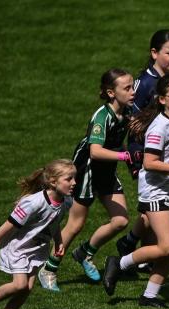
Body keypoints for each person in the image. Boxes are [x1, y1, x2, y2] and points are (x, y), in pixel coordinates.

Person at [102, 73, 169, 308]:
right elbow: (150, 163)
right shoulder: (159, 127)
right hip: (155, 191)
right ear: (161, 99)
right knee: (166, 245)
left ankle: (149, 296)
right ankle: (120, 263)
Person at [37, 68, 136, 292]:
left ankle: (85, 253)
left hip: (107, 172)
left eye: (133, 87)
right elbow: (95, 152)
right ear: (111, 93)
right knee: (76, 224)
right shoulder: (102, 116)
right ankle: (49, 269)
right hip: (87, 172)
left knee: (120, 221)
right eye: (127, 88)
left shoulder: (127, 112)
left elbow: (118, 142)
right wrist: (126, 156)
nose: (132, 92)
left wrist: (129, 160)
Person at [116, 29, 169, 270]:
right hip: (144, 150)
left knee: (154, 208)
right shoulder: (144, 83)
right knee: (152, 205)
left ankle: (136, 247)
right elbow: (133, 118)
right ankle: (141, 255)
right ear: (154, 53)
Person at [0, 159, 77, 309]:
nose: (74, 183)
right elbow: (11, 222)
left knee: (27, 289)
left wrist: (58, 243)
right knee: (20, 285)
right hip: (18, 247)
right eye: (69, 179)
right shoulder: (34, 202)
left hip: (37, 248)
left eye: (74, 178)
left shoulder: (67, 201)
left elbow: (55, 223)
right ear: (53, 181)